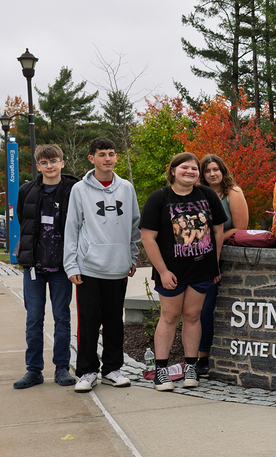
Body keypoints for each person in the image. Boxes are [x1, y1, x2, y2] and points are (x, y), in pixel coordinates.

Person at [140, 153, 226, 391]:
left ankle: (191, 366)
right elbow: (148, 238)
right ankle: (161, 371)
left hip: (202, 270)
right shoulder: (159, 198)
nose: (190, 171)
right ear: (173, 171)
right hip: (172, 273)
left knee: (193, 316)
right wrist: (163, 271)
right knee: (169, 318)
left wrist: (215, 264)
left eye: (194, 168)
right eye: (184, 167)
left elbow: (217, 232)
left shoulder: (207, 195)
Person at [64, 137, 141, 393]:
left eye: (111, 153)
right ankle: (87, 371)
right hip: (88, 268)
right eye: (102, 154)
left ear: (116, 157)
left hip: (118, 267)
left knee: (113, 322)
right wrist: (71, 265)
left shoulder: (126, 188)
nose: (107, 158)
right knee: (88, 322)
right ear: (91, 158)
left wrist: (132, 256)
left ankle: (112, 369)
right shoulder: (80, 190)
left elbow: (133, 225)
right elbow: (72, 228)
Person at [13, 144, 79, 389]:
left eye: (54, 161)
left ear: (62, 162)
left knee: (62, 318)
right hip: (34, 267)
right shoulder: (26, 190)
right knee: (33, 319)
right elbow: (23, 218)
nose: (49, 166)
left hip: (62, 267)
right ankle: (34, 370)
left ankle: (62, 368)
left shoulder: (75, 189)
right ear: (38, 165)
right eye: (44, 162)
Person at [197, 153, 249, 377]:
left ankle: (203, 359)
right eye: (207, 170)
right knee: (193, 311)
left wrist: (215, 239)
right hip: (194, 257)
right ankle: (191, 356)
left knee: (207, 310)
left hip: (220, 257)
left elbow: (241, 227)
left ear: (223, 170)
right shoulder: (197, 193)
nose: (212, 174)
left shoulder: (233, 193)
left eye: (215, 169)